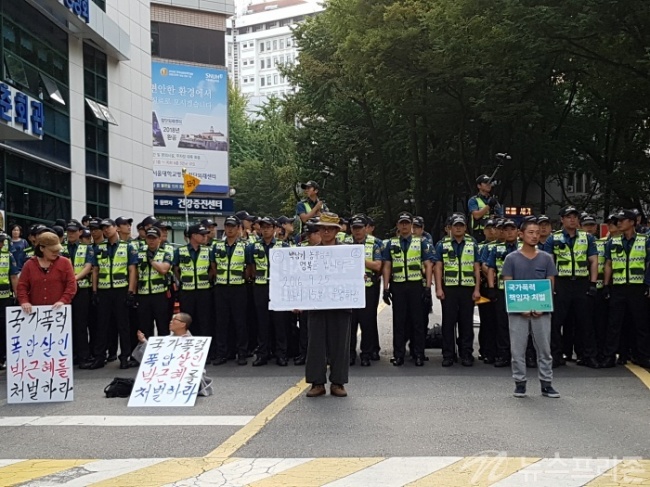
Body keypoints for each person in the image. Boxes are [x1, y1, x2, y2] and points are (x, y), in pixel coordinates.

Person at [502, 218, 559, 398]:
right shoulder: (511, 258)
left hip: (541, 310)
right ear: (521, 235)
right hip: (518, 311)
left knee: (544, 348)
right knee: (517, 349)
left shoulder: (546, 258)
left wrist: (544, 306)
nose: (535, 236)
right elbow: (508, 284)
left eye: (537, 233)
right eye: (531, 233)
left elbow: (550, 283)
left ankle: (546, 384)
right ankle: (520, 383)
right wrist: (520, 307)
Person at [543, 206, 600, 368]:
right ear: (562, 220)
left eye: (575, 216)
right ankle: (555, 356)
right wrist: (551, 286)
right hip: (561, 283)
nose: (572, 219)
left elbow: (593, 261)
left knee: (586, 322)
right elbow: (549, 263)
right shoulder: (553, 239)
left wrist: (593, 283)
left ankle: (588, 355)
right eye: (568, 217)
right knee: (556, 323)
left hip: (581, 283)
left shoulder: (587, 238)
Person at [305, 212, 352, 397]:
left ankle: (338, 383)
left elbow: (355, 274)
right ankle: (316, 383)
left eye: (329, 228)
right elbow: (301, 279)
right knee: (315, 343)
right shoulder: (310, 253)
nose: (325, 231)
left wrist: (358, 277)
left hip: (341, 303)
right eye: (322, 228)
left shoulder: (348, 252)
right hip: (317, 303)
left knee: (340, 343)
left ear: (336, 231)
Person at [382, 212, 434, 367]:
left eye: (407, 223)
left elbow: (428, 265)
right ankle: (398, 355)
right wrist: (385, 288)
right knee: (399, 321)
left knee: (417, 321)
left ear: (411, 225)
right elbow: (387, 266)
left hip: (415, 284)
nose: (404, 226)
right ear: (398, 225)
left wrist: (427, 287)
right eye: (401, 223)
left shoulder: (421, 243)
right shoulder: (391, 244)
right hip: (398, 285)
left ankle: (419, 354)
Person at [86, 219, 139, 370]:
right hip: (103, 291)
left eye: (108, 227)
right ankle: (100, 357)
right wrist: (95, 291)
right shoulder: (98, 247)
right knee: (102, 325)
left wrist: (131, 291)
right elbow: (95, 270)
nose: (106, 230)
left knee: (123, 325)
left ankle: (125, 357)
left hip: (121, 290)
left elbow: (132, 270)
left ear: (115, 228)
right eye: (103, 228)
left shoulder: (127, 246)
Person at [601, 209, 650, 368]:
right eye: (618, 221)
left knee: (641, 324)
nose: (619, 223)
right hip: (619, 287)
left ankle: (642, 356)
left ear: (632, 222)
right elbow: (608, 264)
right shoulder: (613, 241)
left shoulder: (645, 240)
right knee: (614, 324)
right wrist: (606, 285)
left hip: (638, 287)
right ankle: (609, 356)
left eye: (622, 220)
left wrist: (648, 284)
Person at [433, 215, 481, 366]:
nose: (458, 228)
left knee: (466, 322)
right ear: (450, 228)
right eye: (455, 225)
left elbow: (476, 268)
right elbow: (438, 267)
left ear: (465, 227)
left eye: (461, 225)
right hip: (449, 288)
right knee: (448, 322)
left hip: (467, 288)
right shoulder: (442, 245)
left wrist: (477, 289)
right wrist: (439, 288)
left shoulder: (472, 244)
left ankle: (466, 353)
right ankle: (448, 354)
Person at [134, 313, 213, 397]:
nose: (170, 322)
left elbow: (196, 366)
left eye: (174, 320)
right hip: (166, 374)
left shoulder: (194, 343)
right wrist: (144, 341)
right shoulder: (166, 340)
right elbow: (152, 356)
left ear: (183, 324)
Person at [247, 217, 289, 366]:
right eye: (263, 227)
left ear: (275, 229)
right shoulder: (253, 247)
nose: (265, 230)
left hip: (278, 287)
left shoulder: (283, 246)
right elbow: (250, 268)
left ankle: (281, 354)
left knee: (279, 321)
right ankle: (263, 353)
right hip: (260, 287)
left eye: (268, 227)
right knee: (262, 322)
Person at [213, 215, 249, 365]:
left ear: (238, 228)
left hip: (238, 288)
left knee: (240, 322)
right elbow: (213, 265)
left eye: (232, 226)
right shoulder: (217, 246)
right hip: (221, 288)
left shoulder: (245, 246)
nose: (229, 229)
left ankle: (241, 353)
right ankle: (223, 353)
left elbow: (249, 268)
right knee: (222, 322)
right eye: (227, 226)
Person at [173, 224, 214, 357]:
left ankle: (205, 353)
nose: (205, 237)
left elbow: (213, 270)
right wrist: (184, 281)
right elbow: (176, 270)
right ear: (193, 236)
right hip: (187, 292)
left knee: (205, 321)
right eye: (202, 234)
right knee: (189, 322)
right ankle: (189, 352)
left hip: (204, 291)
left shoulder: (208, 251)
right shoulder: (180, 251)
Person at [348, 215, 383, 366]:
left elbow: (377, 266)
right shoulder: (345, 243)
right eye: (354, 228)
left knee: (367, 322)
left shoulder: (374, 243)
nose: (357, 231)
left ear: (365, 228)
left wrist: (358, 259)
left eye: (360, 228)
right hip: (349, 289)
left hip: (368, 288)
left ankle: (366, 354)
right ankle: (349, 354)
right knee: (350, 323)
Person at [16, 232, 77, 315]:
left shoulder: (65, 262)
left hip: (59, 312)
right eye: (52, 250)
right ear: (42, 248)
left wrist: (63, 301)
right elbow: (22, 286)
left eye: (57, 250)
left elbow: (71, 285)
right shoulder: (29, 264)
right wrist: (24, 301)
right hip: (34, 312)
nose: (56, 252)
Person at [486, 219, 520, 367]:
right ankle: (504, 354)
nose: (509, 232)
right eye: (506, 230)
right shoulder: (497, 249)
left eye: (512, 229)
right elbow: (490, 268)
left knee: (523, 325)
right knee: (502, 325)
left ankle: (525, 355)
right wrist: (491, 288)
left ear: (518, 231)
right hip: (502, 290)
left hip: (521, 290)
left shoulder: (526, 247)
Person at [61, 221, 94, 367]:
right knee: (66, 325)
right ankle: (69, 355)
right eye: (69, 231)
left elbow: (88, 266)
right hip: (64, 291)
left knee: (81, 324)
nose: (71, 234)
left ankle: (83, 357)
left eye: (74, 231)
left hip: (82, 289)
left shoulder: (86, 248)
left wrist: (74, 278)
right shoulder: (60, 249)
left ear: (80, 232)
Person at [136, 227, 173, 340]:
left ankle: (164, 352)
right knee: (145, 326)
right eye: (149, 238)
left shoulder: (165, 253)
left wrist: (151, 261)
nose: (151, 241)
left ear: (159, 239)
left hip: (160, 294)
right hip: (143, 294)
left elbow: (163, 270)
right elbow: (134, 273)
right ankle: (146, 353)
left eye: (154, 238)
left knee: (163, 325)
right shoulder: (139, 253)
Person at [0, 233, 20, 370]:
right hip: (4, 297)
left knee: (3, 329)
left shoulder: (8, 256)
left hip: (5, 297)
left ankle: (2, 357)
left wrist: (18, 295)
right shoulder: (7, 256)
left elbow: (13, 277)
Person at [468, 174, 503, 243]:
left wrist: (496, 217)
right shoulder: (473, 200)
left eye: (489, 183)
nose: (488, 184)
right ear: (479, 186)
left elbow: (502, 216)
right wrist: (489, 206)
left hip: (493, 233)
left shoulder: (494, 200)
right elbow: (476, 215)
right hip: (479, 234)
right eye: (485, 183)